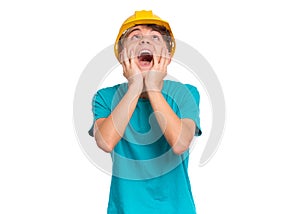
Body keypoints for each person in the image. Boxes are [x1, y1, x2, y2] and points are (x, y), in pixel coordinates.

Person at [89, 10, 202, 214]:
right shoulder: (104, 97)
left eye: (155, 37)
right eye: (136, 36)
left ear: (166, 55)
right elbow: (105, 142)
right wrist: (134, 87)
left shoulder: (186, 93)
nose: (145, 42)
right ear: (122, 54)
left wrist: (152, 88)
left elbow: (180, 143)